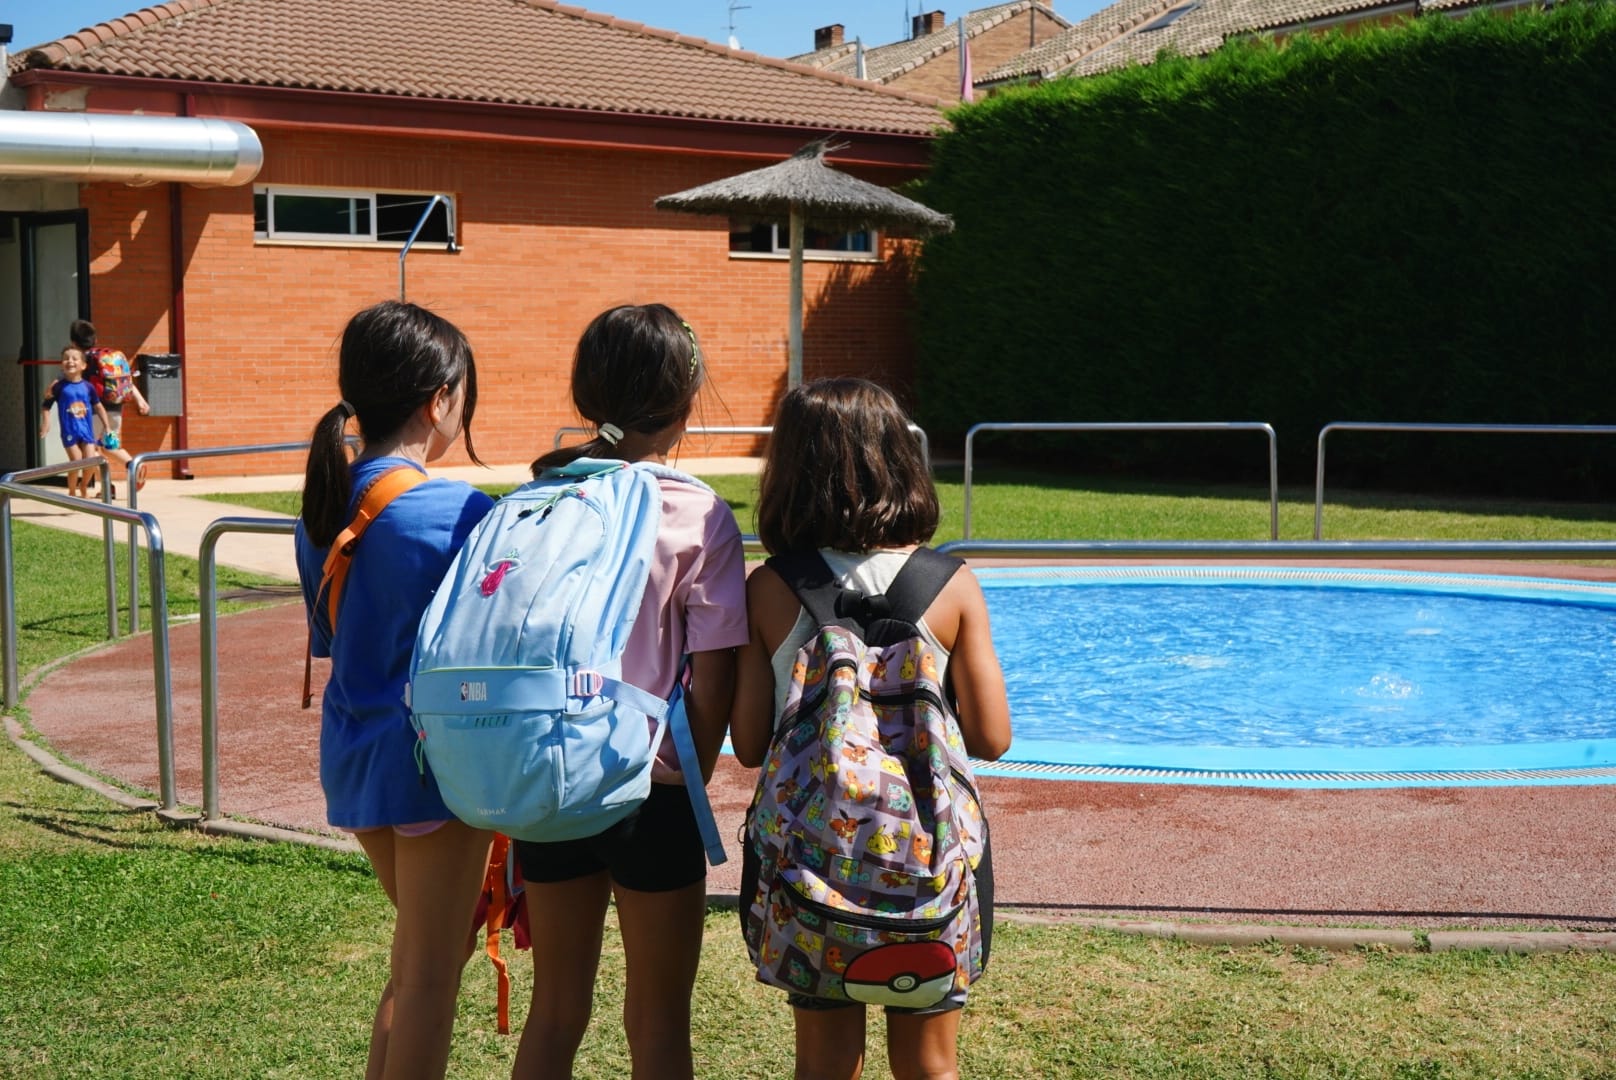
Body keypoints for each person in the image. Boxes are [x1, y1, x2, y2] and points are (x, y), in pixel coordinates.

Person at [730, 376, 1013, 1080]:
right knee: (931, 1068)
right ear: (899, 460)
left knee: (823, 1068)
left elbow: (746, 741)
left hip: (812, 869)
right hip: (930, 866)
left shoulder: (769, 589)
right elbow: (992, 737)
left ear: (790, 472)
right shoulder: (949, 584)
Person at [510, 304, 747, 1080]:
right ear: (684, 400)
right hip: (653, 781)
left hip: (549, 773)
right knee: (657, 1019)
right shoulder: (698, 512)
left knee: (555, 1010)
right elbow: (713, 676)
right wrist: (692, 771)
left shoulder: (540, 497)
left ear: (587, 395)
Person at [293, 300, 496, 1080]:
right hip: (434, 770)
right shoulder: (461, 511)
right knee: (430, 981)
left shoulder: (322, 501)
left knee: (414, 964)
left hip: (355, 759)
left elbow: (334, 641)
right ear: (439, 399)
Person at [69, 319, 149, 491]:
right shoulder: (107, 357)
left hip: (95, 411)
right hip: (116, 408)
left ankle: (106, 487)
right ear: (95, 340)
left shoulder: (83, 361)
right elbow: (127, 381)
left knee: (87, 449)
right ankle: (133, 465)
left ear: (74, 343)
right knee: (110, 445)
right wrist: (140, 399)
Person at [39, 346, 113, 499]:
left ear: (83, 365)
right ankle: (72, 491)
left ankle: (83, 486)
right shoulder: (58, 387)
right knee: (76, 461)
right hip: (69, 430)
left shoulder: (88, 387)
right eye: (66, 358)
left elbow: (98, 406)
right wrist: (46, 423)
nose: (70, 361)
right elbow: (46, 406)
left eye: (74, 358)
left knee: (92, 462)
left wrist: (107, 426)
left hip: (86, 430)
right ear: (62, 364)